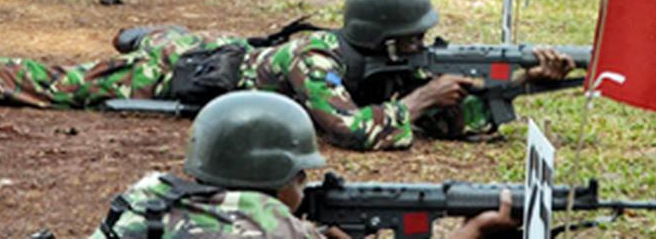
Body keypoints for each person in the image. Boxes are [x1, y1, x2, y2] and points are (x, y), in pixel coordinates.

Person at [0, 0, 575, 150]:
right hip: (179, 78)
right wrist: (416, 101)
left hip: (213, 53)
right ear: (382, 38)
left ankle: (151, 31)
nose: (423, 52)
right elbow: (352, 130)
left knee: (175, 37)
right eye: (414, 43)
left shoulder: (370, 59)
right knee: (47, 82)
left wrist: (530, 88)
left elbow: (445, 123)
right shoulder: (317, 60)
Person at [89, 91, 520, 238]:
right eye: (300, 175)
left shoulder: (153, 195)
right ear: (275, 177)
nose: (305, 184)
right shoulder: (266, 222)